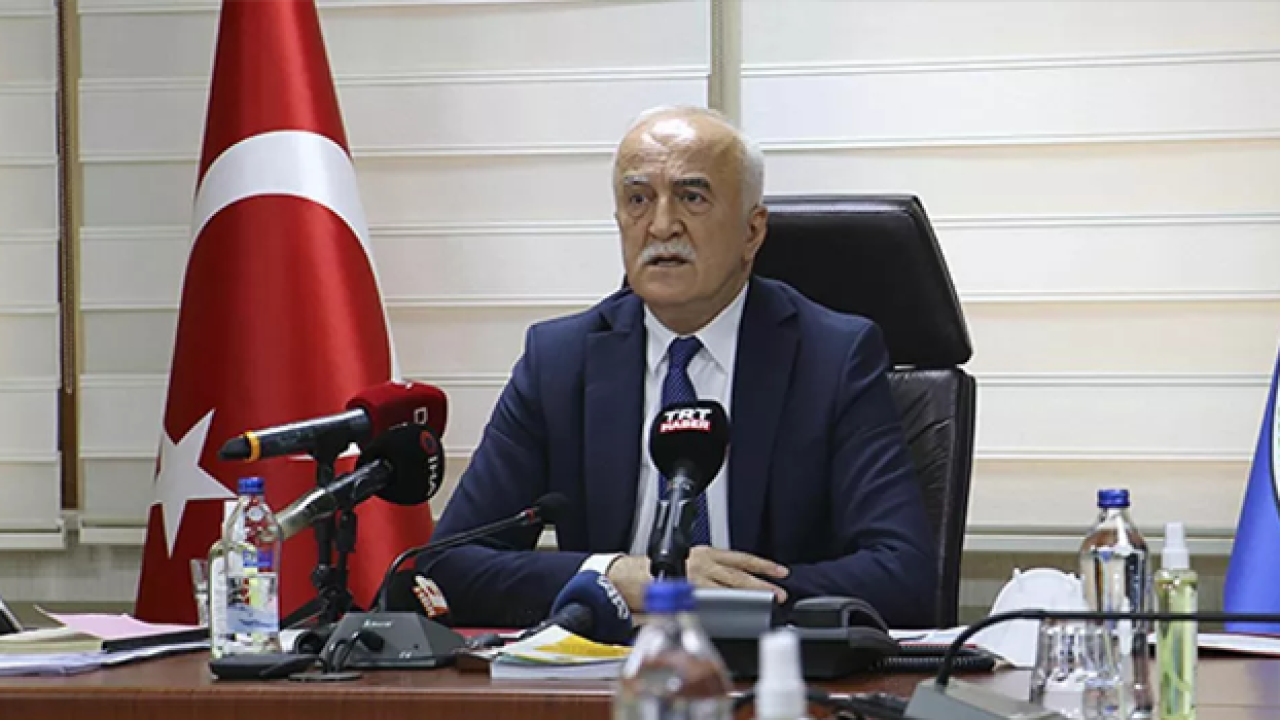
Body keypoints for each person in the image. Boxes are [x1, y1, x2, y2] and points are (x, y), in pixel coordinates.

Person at [420, 106, 938, 629]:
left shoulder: (832, 358)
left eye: (692, 197)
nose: (661, 225)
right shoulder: (559, 362)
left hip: (768, 663)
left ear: (752, 231)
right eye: (638, 199)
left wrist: (717, 598)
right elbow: (444, 569)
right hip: (604, 664)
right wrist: (614, 575)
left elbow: (903, 577)